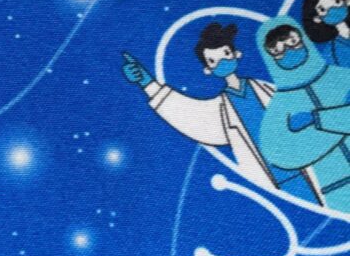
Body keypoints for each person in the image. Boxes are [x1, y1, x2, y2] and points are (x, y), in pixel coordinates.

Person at [122, 23, 320, 201]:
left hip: (301, 168)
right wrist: (148, 84)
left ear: (236, 54)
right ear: (208, 69)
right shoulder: (222, 109)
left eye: (225, 54)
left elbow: (300, 106)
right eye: (213, 61)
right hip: (269, 178)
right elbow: (190, 117)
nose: (222, 62)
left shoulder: (266, 89)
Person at [257, 17, 350, 213]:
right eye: (278, 51)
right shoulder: (281, 105)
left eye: (293, 42)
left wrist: (318, 120)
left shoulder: (342, 78)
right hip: (339, 188)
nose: (289, 52)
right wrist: (342, 118)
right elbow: (282, 152)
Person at [300, 0, 350, 67]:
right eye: (322, 9)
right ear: (317, 18)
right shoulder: (334, 50)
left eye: (337, 1)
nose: (333, 9)